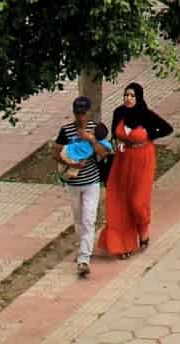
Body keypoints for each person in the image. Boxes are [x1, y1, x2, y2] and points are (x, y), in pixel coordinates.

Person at [100, 83, 172, 258]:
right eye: (126, 95)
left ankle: (143, 229)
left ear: (138, 97)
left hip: (143, 160)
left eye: (132, 96)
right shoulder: (119, 113)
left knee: (137, 202)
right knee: (119, 201)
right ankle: (123, 244)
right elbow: (114, 134)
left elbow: (167, 129)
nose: (128, 98)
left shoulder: (145, 115)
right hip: (122, 161)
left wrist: (149, 135)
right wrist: (116, 145)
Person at [55, 95, 112, 277]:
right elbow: (55, 153)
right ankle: (82, 248)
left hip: (91, 182)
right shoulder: (66, 130)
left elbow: (104, 154)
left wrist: (91, 140)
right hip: (73, 183)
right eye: (77, 113)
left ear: (88, 113)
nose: (80, 117)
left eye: (83, 113)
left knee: (89, 219)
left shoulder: (96, 129)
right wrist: (71, 164)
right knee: (79, 219)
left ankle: (84, 259)